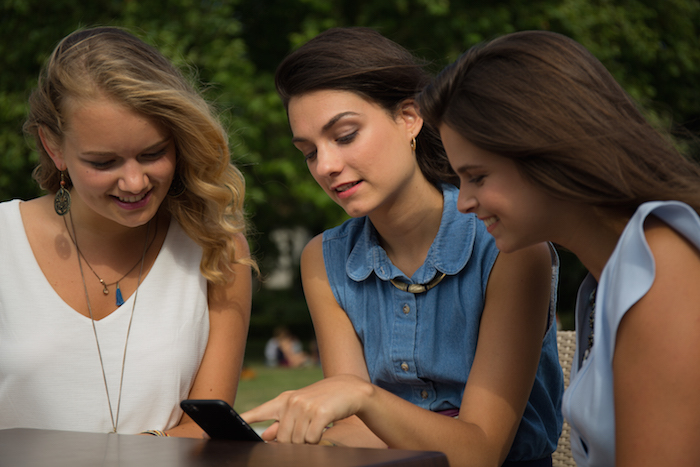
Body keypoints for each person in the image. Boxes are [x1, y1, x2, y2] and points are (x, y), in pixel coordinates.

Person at [242, 27, 564, 467]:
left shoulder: (508, 246)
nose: (326, 166)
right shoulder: (324, 259)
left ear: (409, 117)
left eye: (345, 134)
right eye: (309, 151)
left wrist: (361, 398)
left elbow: (480, 452)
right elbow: (353, 426)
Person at [417, 30, 700, 466]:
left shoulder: (662, 274)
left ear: (546, 149)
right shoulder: (613, 274)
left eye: (477, 176)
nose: (466, 201)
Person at [0, 26, 255, 437]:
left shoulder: (217, 252)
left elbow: (206, 431)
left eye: (153, 153)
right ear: (54, 147)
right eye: (104, 162)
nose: (135, 183)